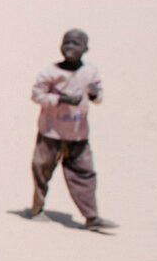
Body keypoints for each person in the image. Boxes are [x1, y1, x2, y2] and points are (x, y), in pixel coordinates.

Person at [30, 29, 114, 230]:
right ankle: (37, 209)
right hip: (51, 133)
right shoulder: (50, 73)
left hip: (77, 135)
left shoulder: (90, 72)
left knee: (84, 174)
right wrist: (61, 99)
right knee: (41, 169)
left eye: (76, 44)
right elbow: (36, 95)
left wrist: (94, 94)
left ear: (86, 49)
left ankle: (92, 217)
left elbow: (99, 97)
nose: (70, 47)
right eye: (66, 42)